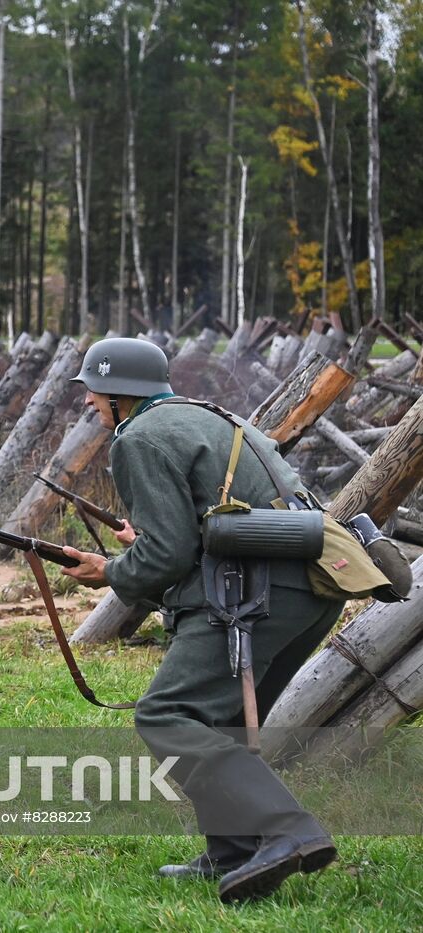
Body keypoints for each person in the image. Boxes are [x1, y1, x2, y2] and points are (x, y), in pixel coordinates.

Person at [59, 337, 344, 905]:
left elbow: (164, 557)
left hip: (251, 593)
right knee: (220, 722)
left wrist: (111, 570)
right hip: (306, 590)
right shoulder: (208, 417)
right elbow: (192, 531)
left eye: (93, 389)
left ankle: (288, 831)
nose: (88, 400)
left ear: (118, 392)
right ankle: (234, 852)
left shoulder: (138, 437)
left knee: (169, 715)